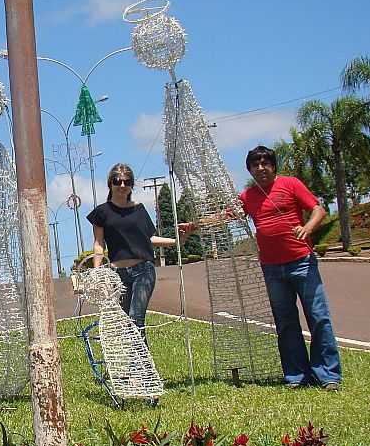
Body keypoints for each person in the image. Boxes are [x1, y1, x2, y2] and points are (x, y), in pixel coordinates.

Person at [186, 145, 342, 390]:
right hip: (272, 268)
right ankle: (296, 375)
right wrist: (195, 225)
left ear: (273, 165)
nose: (261, 168)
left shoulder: (290, 184)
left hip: (302, 262)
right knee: (285, 322)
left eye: (265, 163)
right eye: (255, 165)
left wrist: (307, 228)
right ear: (249, 170)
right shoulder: (248, 196)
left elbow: (318, 210)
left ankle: (327, 374)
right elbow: (226, 216)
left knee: (318, 317)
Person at [87, 163, 189, 341]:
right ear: (110, 183)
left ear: (132, 185)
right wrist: (97, 272)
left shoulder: (139, 209)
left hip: (143, 271)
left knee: (136, 318)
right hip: (117, 275)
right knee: (125, 322)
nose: (122, 186)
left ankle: (140, 366)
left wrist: (176, 242)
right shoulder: (101, 213)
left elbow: (149, 238)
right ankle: (138, 364)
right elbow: (98, 244)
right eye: (117, 181)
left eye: (127, 182)